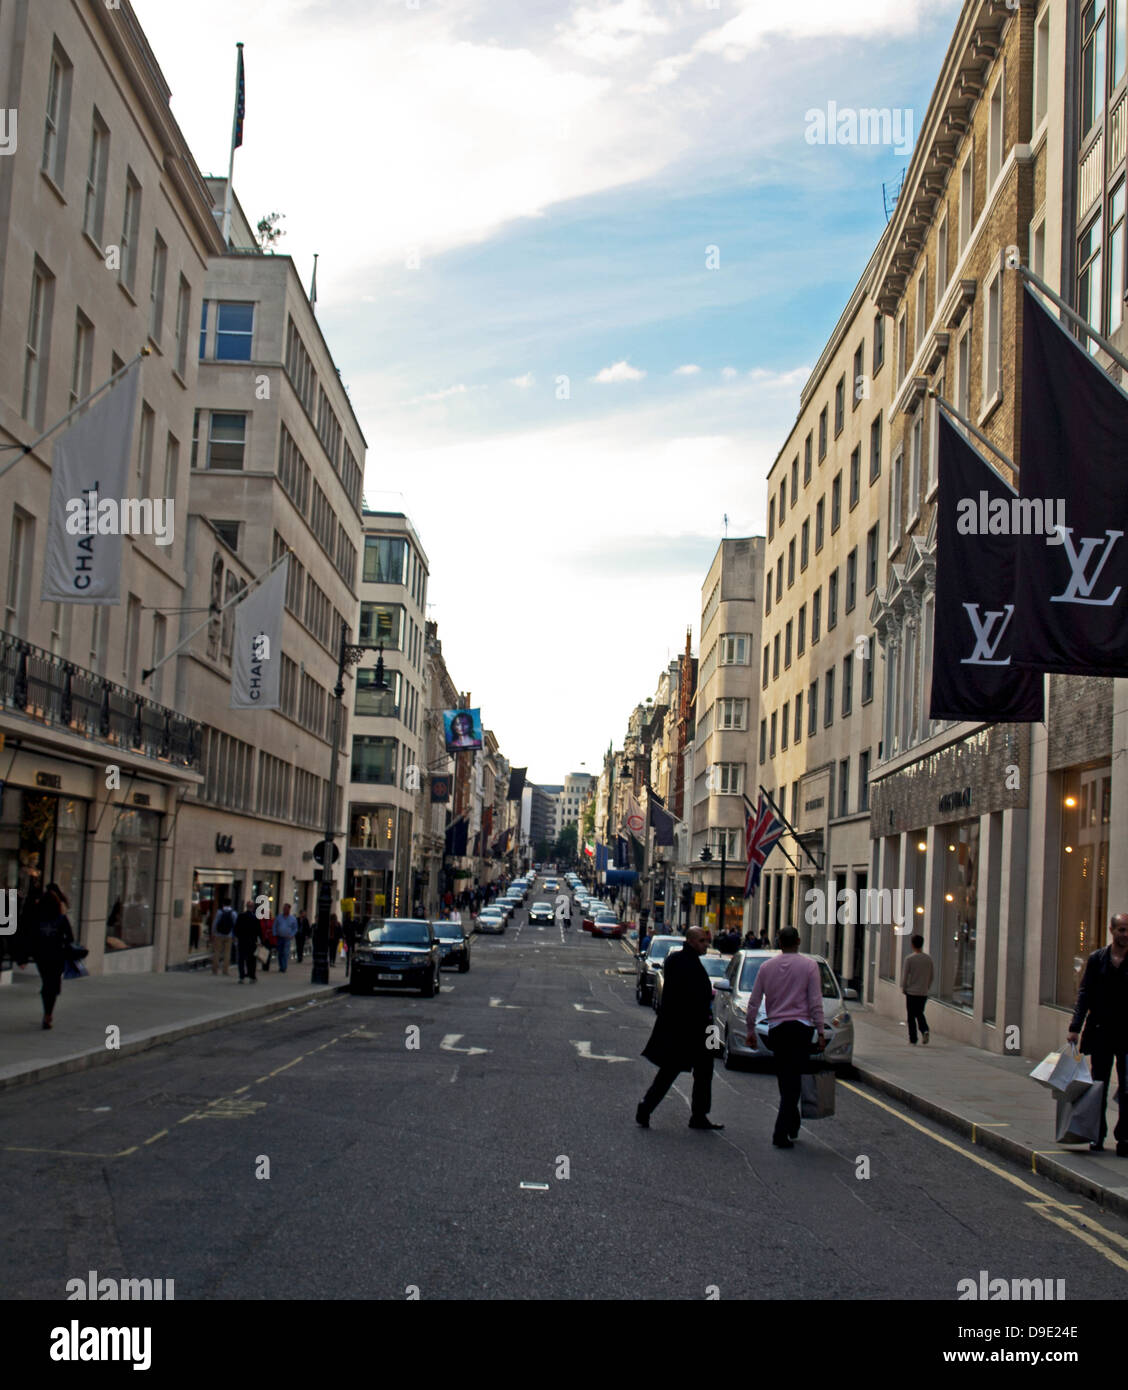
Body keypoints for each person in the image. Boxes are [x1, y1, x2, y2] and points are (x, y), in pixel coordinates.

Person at [636, 927, 723, 1131]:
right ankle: (646, 1108)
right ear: (691, 941)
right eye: (702, 941)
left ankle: (698, 1115)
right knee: (673, 1072)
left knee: (700, 1072)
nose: (706, 945)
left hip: (695, 1028)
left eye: (706, 941)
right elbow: (687, 998)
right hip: (688, 1029)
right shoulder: (683, 962)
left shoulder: (683, 961)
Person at [746, 925, 826, 1148]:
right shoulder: (809, 966)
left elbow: (754, 1001)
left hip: (778, 1029)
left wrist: (750, 1030)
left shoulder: (766, 967)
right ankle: (781, 1132)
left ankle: (791, 1123)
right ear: (798, 941)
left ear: (779, 943)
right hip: (801, 1029)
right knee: (794, 1081)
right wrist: (820, 1031)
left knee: (785, 1079)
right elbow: (815, 1001)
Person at [1068, 912, 1128, 1155]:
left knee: (1126, 1088)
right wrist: (1075, 1027)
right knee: (1098, 1086)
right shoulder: (1097, 959)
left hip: (1127, 1034)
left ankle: (1124, 1138)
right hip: (1101, 1031)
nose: (1125, 934)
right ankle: (1097, 1135)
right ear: (1111, 931)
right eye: (1121, 929)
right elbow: (1085, 994)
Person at [17, 883, 75, 1029]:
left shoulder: (37, 920)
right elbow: (70, 938)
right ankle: (48, 1012)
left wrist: (23, 957)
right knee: (53, 982)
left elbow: (29, 938)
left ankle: (47, 1008)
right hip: (57, 955)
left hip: (41, 956)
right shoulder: (61, 919)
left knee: (47, 981)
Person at [901, 932, 934, 1045]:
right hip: (923, 992)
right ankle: (924, 1029)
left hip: (911, 991)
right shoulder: (928, 959)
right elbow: (932, 976)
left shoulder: (909, 959)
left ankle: (913, 1038)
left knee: (911, 1015)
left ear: (912, 945)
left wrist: (904, 987)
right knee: (919, 1012)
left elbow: (905, 976)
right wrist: (927, 987)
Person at [234, 901, 260, 983]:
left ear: (246, 907)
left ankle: (241, 976)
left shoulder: (241, 916)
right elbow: (258, 931)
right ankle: (251, 976)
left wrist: (238, 937)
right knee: (251, 960)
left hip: (242, 941)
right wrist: (258, 940)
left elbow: (236, 928)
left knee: (241, 959)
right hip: (252, 942)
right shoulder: (255, 918)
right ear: (252, 908)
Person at [211, 899, 236, 975]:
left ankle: (215, 969)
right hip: (229, 935)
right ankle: (225, 970)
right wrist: (234, 935)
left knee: (217, 952)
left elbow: (215, 923)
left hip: (219, 935)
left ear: (223, 904)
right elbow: (235, 925)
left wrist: (213, 932)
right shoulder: (233, 913)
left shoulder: (219, 912)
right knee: (227, 953)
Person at [273, 902, 298, 973]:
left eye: (286, 909)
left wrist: (292, 935)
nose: (284, 910)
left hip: (287, 938)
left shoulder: (293, 919)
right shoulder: (279, 917)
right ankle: (281, 965)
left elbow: (295, 928)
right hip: (279, 937)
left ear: (289, 909)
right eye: (284, 909)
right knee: (280, 952)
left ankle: (283, 967)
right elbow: (275, 925)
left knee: (285, 952)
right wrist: (275, 933)